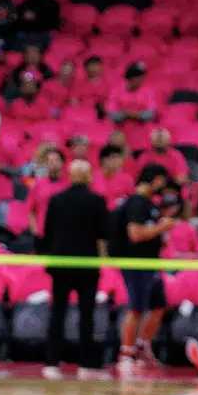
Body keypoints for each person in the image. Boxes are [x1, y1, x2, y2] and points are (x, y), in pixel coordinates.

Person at [40, 159, 110, 381]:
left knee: (57, 313)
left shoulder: (56, 200)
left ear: (70, 176)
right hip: (87, 265)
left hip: (61, 265)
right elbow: (104, 234)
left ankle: (51, 363)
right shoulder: (97, 201)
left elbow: (47, 233)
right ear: (88, 176)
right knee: (86, 315)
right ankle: (86, 365)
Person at [115, 164, 176, 377]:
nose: (163, 186)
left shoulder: (150, 204)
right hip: (136, 263)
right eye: (161, 181)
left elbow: (149, 233)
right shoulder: (137, 203)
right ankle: (126, 353)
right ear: (154, 179)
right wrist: (162, 227)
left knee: (159, 306)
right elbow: (136, 234)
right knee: (136, 309)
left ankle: (142, 346)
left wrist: (160, 237)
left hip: (151, 263)